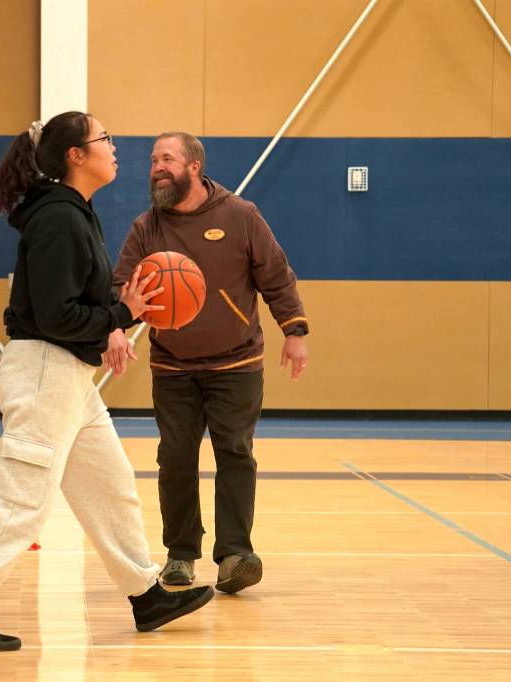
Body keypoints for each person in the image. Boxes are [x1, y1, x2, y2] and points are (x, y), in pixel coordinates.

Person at [0, 112, 215, 652]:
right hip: (44, 372)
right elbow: (58, 315)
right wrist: (118, 316)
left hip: (68, 377)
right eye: (104, 138)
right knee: (22, 501)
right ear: (75, 156)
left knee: (110, 487)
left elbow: (74, 306)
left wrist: (115, 321)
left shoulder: (74, 212)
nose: (115, 146)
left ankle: (146, 594)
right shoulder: (59, 218)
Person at [110, 131, 309, 594]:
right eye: (153, 160)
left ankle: (236, 554)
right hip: (174, 364)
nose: (156, 167)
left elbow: (276, 275)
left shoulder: (239, 216)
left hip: (237, 362)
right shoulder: (147, 227)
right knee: (175, 458)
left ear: (194, 167)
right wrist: (116, 325)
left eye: (167, 159)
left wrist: (294, 330)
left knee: (235, 453)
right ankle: (180, 556)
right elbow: (122, 284)